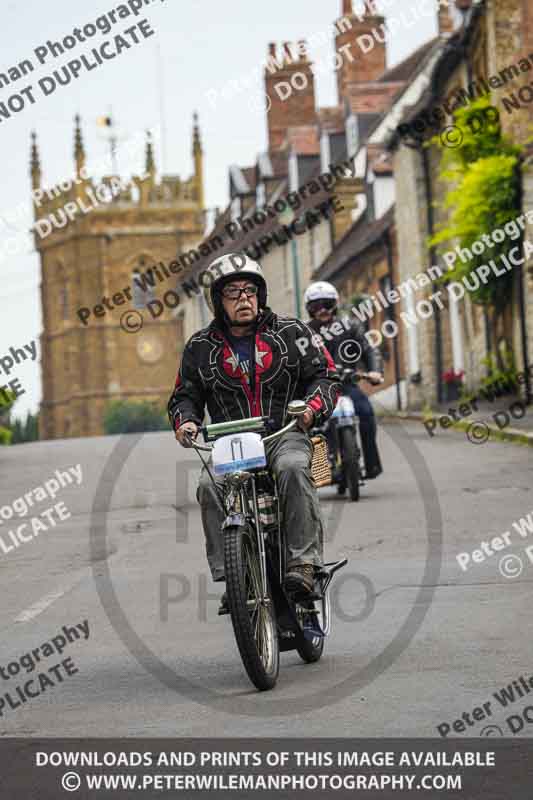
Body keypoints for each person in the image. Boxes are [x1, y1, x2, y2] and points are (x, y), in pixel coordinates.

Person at [168, 253, 340, 605]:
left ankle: (304, 564)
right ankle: (233, 574)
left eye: (249, 290)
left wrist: (311, 408)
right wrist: (185, 421)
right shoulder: (199, 347)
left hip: (284, 432)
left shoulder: (293, 332)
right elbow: (184, 396)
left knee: (292, 468)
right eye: (232, 292)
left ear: (260, 295)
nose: (243, 298)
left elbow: (325, 376)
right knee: (208, 486)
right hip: (231, 441)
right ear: (218, 301)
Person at [304, 281, 384, 479]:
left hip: (346, 384)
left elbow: (368, 349)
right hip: (318, 390)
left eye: (327, 304)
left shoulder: (350, 326)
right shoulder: (303, 333)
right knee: (310, 426)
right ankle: (321, 472)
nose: (322, 309)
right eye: (316, 305)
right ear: (309, 309)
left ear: (336, 304)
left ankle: (372, 464)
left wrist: (375, 371)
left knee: (366, 413)